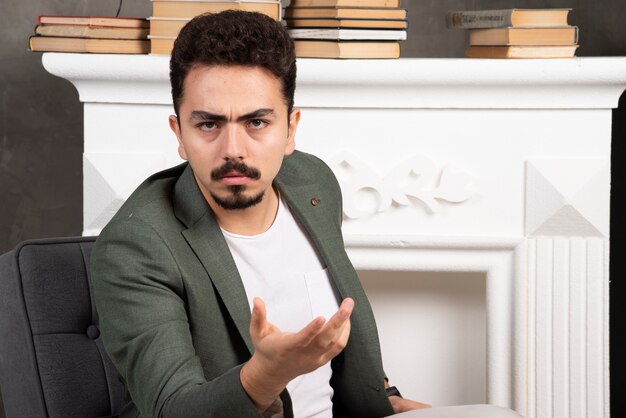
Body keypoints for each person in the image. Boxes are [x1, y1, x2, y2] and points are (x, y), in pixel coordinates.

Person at [90, 10, 523, 418]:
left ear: (291, 128)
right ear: (179, 133)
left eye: (257, 122)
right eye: (208, 125)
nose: (234, 150)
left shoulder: (312, 182)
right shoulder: (136, 245)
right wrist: (269, 372)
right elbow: (173, 409)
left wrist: (389, 400)